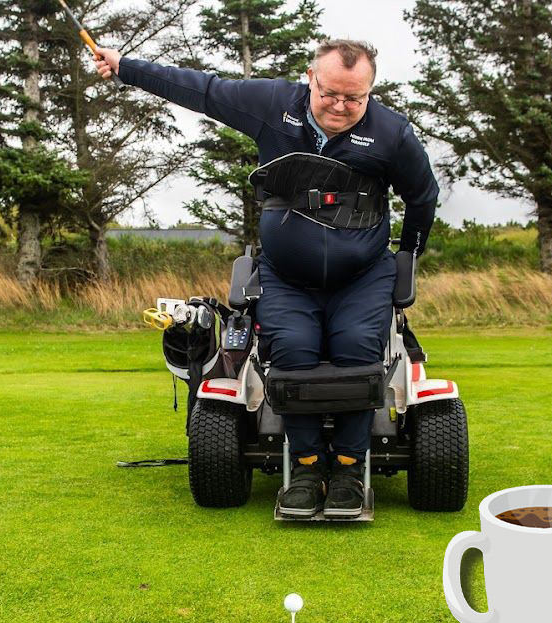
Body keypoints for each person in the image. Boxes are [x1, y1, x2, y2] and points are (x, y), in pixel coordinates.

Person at [94, 40, 440, 518]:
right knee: (292, 352)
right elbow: (204, 90)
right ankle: (304, 468)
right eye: (330, 94)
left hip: (362, 277)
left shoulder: (393, 134)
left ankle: (345, 469)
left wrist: (408, 255)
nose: (340, 107)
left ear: (370, 90)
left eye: (354, 98)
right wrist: (126, 67)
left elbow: (423, 197)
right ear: (310, 78)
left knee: (358, 352)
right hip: (285, 276)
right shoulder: (273, 105)